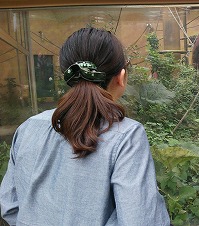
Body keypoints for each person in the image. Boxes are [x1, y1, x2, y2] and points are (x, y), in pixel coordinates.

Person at [0, 27, 171, 226]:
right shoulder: (127, 135)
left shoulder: (29, 128)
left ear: (67, 76)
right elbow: (141, 221)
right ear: (121, 76)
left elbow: (10, 206)